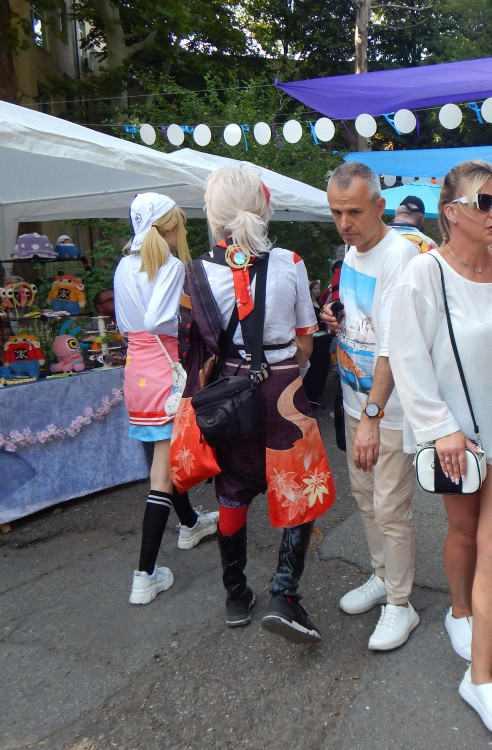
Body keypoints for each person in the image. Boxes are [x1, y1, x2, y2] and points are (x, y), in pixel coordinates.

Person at [389, 159, 492, 741]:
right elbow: (407, 356)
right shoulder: (424, 273)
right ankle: (460, 608)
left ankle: (480, 679)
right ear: (452, 212)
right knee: (464, 531)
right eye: (485, 202)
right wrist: (440, 428)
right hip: (458, 429)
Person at [181, 166, 334, 643]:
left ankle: (235, 594)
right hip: (285, 387)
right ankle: (284, 593)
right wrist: (287, 369)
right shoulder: (290, 261)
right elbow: (306, 340)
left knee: (232, 488)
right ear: (264, 207)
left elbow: (190, 347)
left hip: (228, 392)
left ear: (213, 213)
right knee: (300, 487)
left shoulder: (195, 272)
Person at [321, 162, 420, 651]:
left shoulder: (400, 257)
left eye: (355, 212)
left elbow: (393, 345)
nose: (345, 223)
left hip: (389, 410)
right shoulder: (352, 250)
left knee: (390, 507)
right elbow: (364, 321)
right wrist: (334, 316)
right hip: (354, 398)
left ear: (380, 206)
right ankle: (382, 576)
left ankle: (402, 604)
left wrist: (372, 419)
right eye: (336, 212)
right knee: (364, 499)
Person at [114, 192, 218, 606]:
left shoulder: (124, 265)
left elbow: (127, 324)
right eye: (180, 221)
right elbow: (159, 319)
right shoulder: (170, 266)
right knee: (161, 473)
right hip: (164, 370)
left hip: (136, 371)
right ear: (168, 226)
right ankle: (145, 575)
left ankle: (190, 523)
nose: (184, 229)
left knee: (163, 457)